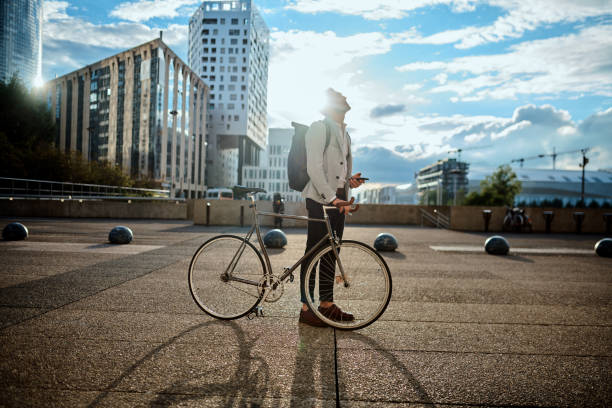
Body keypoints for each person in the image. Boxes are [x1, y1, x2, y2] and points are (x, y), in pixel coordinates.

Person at [298, 88, 366, 327]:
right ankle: (306, 307)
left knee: (331, 250)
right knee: (313, 251)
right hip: (319, 198)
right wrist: (331, 198)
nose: (345, 96)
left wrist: (349, 182)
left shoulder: (345, 134)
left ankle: (326, 305)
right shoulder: (319, 128)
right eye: (338, 95)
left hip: (338, 199)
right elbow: (314, 169)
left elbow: (338, 172)